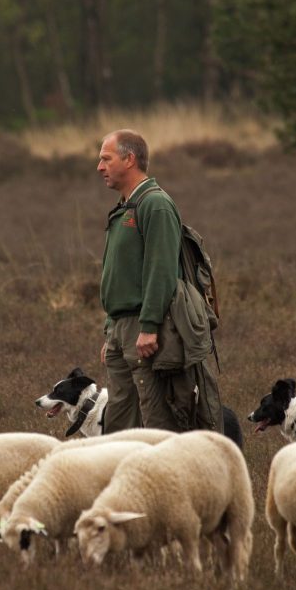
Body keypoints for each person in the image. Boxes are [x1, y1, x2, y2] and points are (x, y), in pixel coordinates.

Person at [97, 129, 186, 433]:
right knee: (120, 423)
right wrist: (111, 330)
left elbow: (161, 271)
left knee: (155, 421)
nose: (99, 167)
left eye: (106, 159)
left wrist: (148, 327)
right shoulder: (125, 207)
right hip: (120, 330)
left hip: (144, 330)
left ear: (130, 159)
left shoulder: (155, 205)